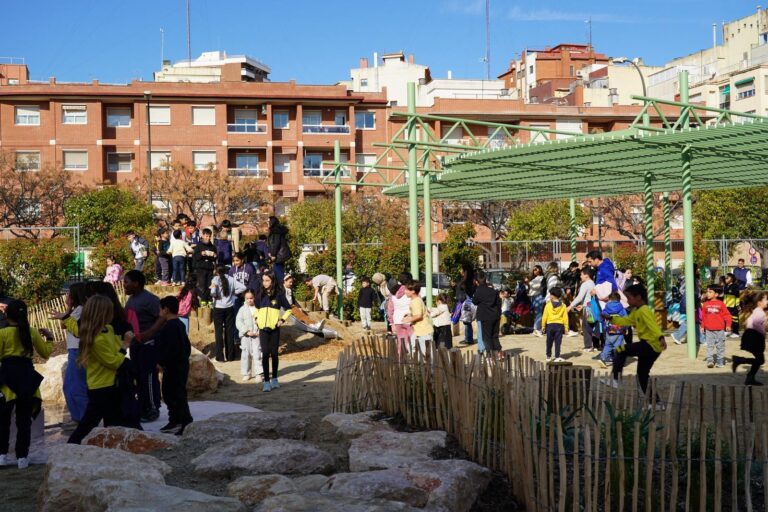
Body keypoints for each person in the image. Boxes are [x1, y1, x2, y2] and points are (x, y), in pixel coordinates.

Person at [67, 295, 133, 444]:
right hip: (101, 387)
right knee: (88, 424)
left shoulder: (108, 329)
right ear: (103, 313)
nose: (113, 314)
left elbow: (115, 350)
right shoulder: (97, 338)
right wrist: (126, 344)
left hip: (112, 384)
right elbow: (114, 361)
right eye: (110, 311)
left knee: (113, 422)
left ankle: (111, 450)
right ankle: (71, 446)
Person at [0, 300, 54, 468]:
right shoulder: (31, 332)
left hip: (7, 379)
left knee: (3, 420)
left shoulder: (2, 333)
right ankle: (22, 457)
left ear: (6, 315)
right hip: (27, 378)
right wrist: (50, 338)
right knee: (24, 421)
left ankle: (1, 455)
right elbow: (45, 353)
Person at [603, 284, 667, 403]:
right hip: (650, 345)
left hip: (650, 344)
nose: (627, 300)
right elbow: (625, 320)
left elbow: (653, 325)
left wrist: (661, 337)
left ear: (638, 297)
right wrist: (611, 318)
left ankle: (616, 379)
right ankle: (656, 403)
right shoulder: (636, 311)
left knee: (621, 349)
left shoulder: (644, 310)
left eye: (629, 297)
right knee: (642, 375)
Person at [124, 270, 162, 422]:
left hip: (148, 346)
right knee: (139, 377)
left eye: (126, 282)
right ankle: (143, 407)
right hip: (135, 346)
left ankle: (153, 408)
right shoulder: (131, 300)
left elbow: (162, 318)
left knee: (149, 377)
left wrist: (150, 334)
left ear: (136, 283)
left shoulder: (150, 300)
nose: (124, 285)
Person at [155, 296, 193, 435]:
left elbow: (172, 348)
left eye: (160, 308)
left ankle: (185, 421)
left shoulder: (171, 326)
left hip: (174, 366)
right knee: (169, 393)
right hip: (178, 364)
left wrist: (161, 362)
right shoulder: (179, 324)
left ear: (166, 310)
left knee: (176, 394)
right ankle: (175, 420)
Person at [254, 271, 293, 392]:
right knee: (265, 354)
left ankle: (275, 379)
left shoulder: (279, 294)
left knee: (274, 354)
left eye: (267, 280)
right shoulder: (260, 294)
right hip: (263, 330)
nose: (265, 283)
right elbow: (255, 308)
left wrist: (282, 320)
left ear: (272, 281)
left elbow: (288, 310)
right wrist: (256, 318)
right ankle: (266, 381)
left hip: (274, 329)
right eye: (263, 280)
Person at [59, 283, 88, 424]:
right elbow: (64, 324)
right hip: (73, 350)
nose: (67, 296)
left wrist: (66, 314)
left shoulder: (82, 310)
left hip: (77, 350)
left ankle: (82, 418)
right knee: (72, 385)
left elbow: (76, 330)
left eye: (70, 293)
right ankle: (79, 417)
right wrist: (68, 308)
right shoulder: (76, 309)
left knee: (75, 386)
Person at [211, 265, 246, 362]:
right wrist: (233, 293)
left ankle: (220, 357)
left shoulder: (215, 279)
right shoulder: (231, 279)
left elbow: (213, 292)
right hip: (230, 307)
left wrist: (215, 295)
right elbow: (243, 287)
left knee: (218, 332)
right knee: (229, 332)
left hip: (218, 308)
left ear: (217, 271)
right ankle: (231, 356)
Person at [733, 291, 768, 385]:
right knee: (760, 360)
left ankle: (749, 376)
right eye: (766, 300)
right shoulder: (759, 312)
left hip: (751, 336)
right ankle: (740, 361)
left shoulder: (756, 310)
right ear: (759, 302)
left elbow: (749, 322)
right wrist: (763, 332)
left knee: (759, 359)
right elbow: (756, 323)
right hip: (754, 337)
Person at [567, 267, 598, 352]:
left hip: (588, 308)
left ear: (586, 275)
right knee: (593, 326)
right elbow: (588, 297)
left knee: (586, 326)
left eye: (581, 274)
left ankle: (588, 346)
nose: (580, 276)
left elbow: (580, 297)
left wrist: (570, 306)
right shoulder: (592, 283)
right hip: (592, 306)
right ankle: (596, 345)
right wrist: (582, 305)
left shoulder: (585, 284)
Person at [701, 284, 731, 369]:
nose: (707, 293)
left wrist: (728, 325)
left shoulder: (721, 304)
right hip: (709, 330)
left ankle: (720, 361)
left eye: (710, 292)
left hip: (720, 330)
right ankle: (710, 361)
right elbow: (703, 317)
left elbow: (727, 315)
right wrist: (702, 326)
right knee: (710, 346)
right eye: (707, 291)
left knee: (720, 346)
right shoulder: (705, 304)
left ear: (716, 294)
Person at [473, 270, 502, 356]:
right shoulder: (493, 291)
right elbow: (498, 303)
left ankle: (490, 355)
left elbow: (474, 301)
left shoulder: (478, 291)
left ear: (477, 282)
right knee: (495, 336)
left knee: (486, 337)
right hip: (495, 316)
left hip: (485, 316)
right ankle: (498, 353)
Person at [236, 290, 262, 382]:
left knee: (257, 353)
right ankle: (247, 373)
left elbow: (262, 320)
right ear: (244, 299)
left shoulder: (258, 308)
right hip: (246, 336)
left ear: (254, 298)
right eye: (247, 298)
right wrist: (246, 331)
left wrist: (260, 331)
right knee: (245, 354)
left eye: (251, 298)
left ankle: (259, 373)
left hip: (257, 335)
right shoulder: (242, 309)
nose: (249, 300)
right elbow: (238, 322)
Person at [403, 282, 433, 355]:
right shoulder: (416, 300)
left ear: (413, 291)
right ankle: (416, 363)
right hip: (419, 330)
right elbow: (420, 312)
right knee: (411, 347)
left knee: (425, 352)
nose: (405, 291)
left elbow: (419, 315)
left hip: (424, 331)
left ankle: (426, 365)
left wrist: (409, 319)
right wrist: (410, 314)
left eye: (407, 290)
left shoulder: (416, 301)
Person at [389, 273, 414, 355]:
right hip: (409, 319)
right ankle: (411, 359)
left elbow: (390, 309)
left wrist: (391, 322)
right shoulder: (411, 290)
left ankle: (401, 360)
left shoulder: (393, 291)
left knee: (400, 340)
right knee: (411, 341)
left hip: (397, 319)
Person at [600, 291, 627, 368]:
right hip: (619, 331)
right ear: (619, 300)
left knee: (608, 345)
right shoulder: (621, 309)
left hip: (609, 330)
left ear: (609, 299)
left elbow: (601, 318)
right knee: (619, 346)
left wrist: (605, 327)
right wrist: (626, 328)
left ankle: (603, 358)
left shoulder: (606, 308)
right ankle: (619, 361)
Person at [541, 287, 568, 362]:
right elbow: (565, 318)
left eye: (550, 294)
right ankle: (557, 356)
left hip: (550, 325)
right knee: (558, 341)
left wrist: (543, 326)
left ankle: (548, 356)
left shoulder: (548, 305)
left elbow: (544, 316)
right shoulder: (563, 306)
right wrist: (566, 328)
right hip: (559, 325)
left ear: (553, 295)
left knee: (549, 341)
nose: (549, 296)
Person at [192, 228, 217, 306]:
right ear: (202, 235)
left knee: (209, 284)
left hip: (209, 268)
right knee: (202, 284)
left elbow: (215, 258)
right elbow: (195, 257)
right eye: (206, 236)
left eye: (209, 236)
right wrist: (201, 254)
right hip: (201, 268)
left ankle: (209, 300)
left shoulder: (212, 247)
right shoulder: (199, 246)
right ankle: (203, 300)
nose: (208, 238)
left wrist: (214, 255)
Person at [456, 265, 477, 346]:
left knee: (466, 321)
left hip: (467, 303)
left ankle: (468, 339)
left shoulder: (467, 281)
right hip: (467, 302)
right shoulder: (470, 280)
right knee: (467, 321)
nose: (460, 271)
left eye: (462, 270)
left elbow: (466, 290)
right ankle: (468, 338)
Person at [267, 216, 291, 282]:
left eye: (268, 221)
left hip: (278, 256)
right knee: (279, 270)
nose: (267, 223)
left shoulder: (274, 231)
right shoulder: (278, 230)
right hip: (281, 255)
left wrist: (273, 254)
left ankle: (280, 287)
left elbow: (275, 244)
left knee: (278, 272)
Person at [528, 265, 545, 337]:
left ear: (540, 270)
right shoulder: (534, 278)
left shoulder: (542, 278)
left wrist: (529, 283)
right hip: (533, 296)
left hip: (539, 296)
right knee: (536, 313)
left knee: (539, 313)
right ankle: (536, 329)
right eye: (534, 269)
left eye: (536, 269)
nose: (535, 271)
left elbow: (538, 286)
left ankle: (537, 329)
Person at [723, 273, 741, 339]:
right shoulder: (725, 286)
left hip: (733, 305)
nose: (726, 279)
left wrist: (737, 305)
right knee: (725, 318)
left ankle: (736, 332)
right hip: (726, 305)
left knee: (734, 319)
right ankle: (726, 331)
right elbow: (725, 295)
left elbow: (737, 295)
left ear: (732, 279)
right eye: (725, 278)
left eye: (728, 278)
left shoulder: (735, 286)